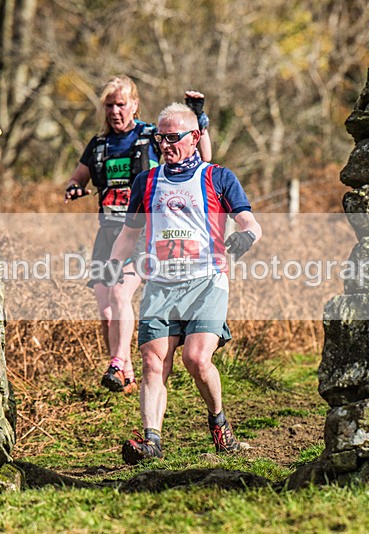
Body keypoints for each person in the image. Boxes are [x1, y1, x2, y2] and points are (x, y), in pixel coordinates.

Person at [98, 102, 261, 464]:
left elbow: (250, 222)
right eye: (161, 138)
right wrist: (111, 265)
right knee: (153, 361)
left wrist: (247, 237)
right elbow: (129, 233)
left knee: (196, 358)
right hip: (161, 284)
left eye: (174, 138)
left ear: (195, 138)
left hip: (207, 281)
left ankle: (219, 424)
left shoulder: (218, 177)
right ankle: (152, 440)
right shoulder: (147, 181)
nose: (166, 145)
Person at [64, 75, 212, 395]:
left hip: (141, 232)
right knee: (106, 312)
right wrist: (75, 188)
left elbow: (201, 153)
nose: (115, 111)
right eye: (109, 105)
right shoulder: (98, 145)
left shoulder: (150, 136)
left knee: (120, 294)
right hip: (107, 233)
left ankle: (118, 362)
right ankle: (125, 374)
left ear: (135, 105)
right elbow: (78, 176)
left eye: (121, 104)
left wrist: (198, 118)